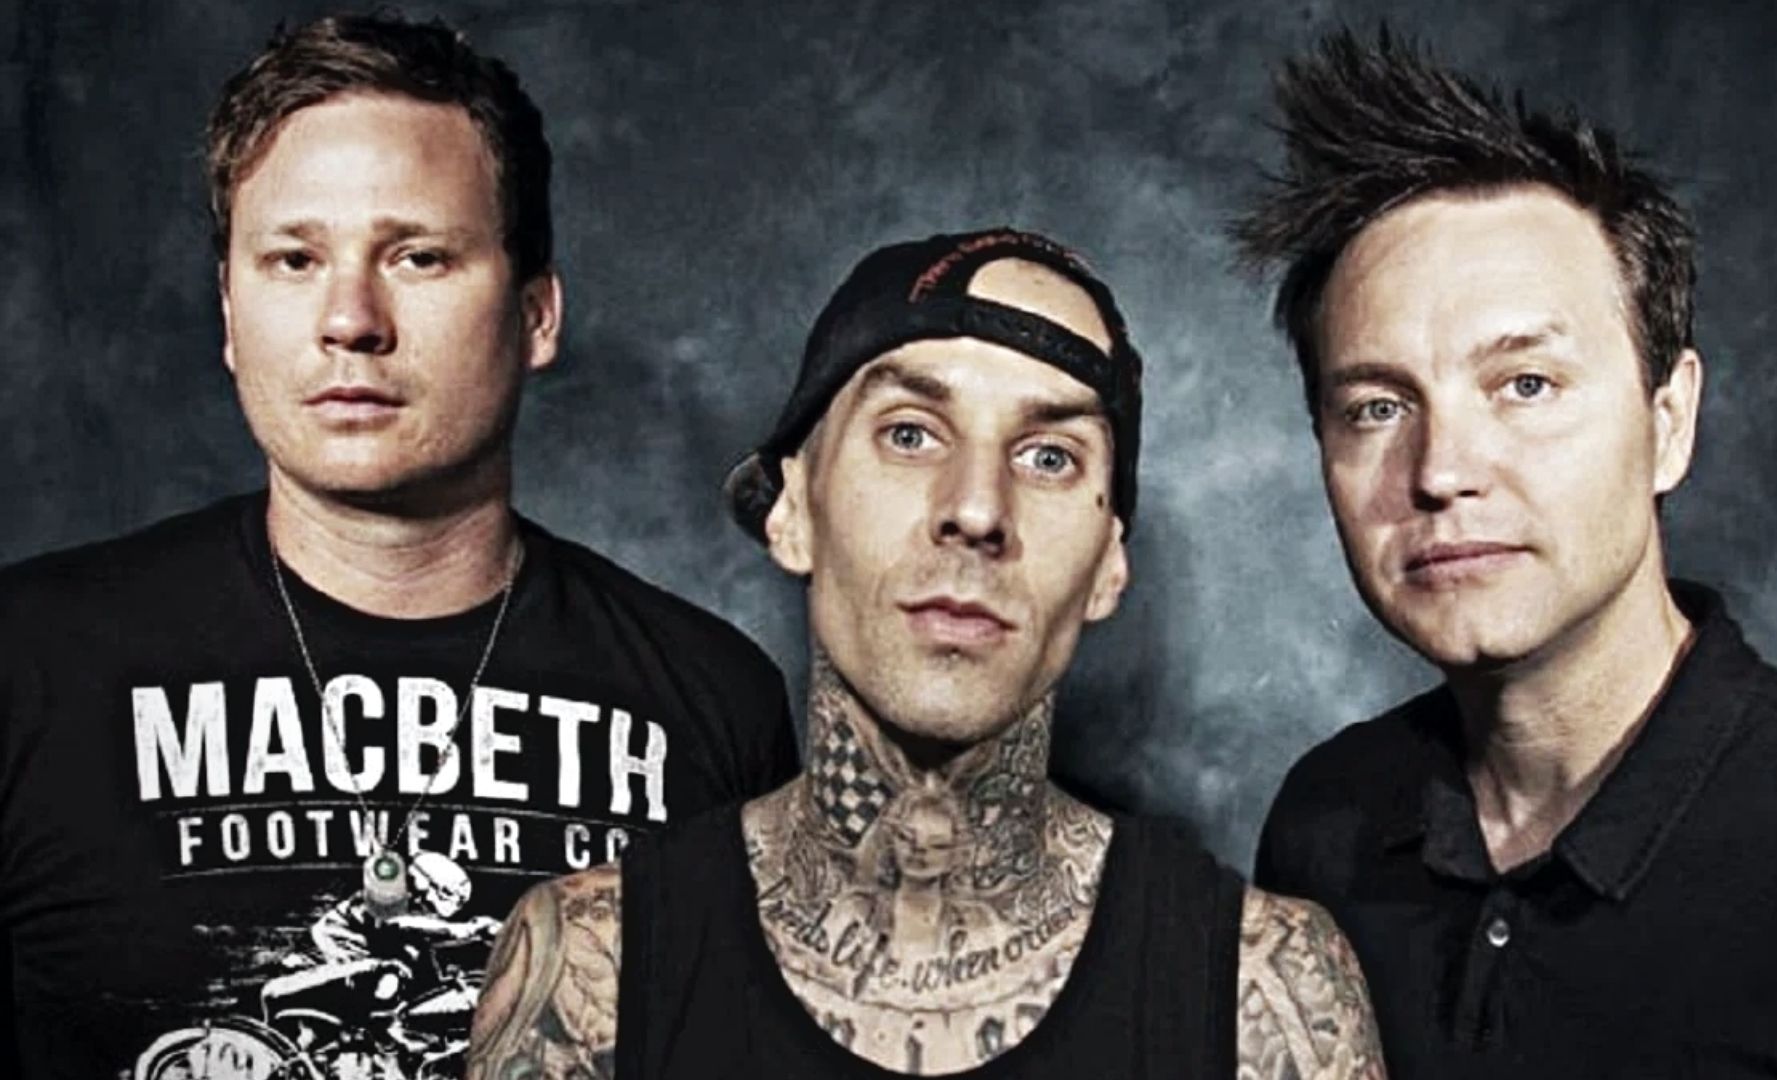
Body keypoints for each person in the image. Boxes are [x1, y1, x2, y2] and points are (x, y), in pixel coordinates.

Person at [0, 14, 798, 1078]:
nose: (350, 320)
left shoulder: (712, 703)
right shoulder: (31, 663)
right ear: (230, 313)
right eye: (294, 259)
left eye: (418, 256)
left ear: (536, 314)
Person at [463, 228, 1386, 1078]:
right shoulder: (594, 967)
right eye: (909, 434)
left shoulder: (1261, 991)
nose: (977, 508)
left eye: (1050, 456)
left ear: (1109, 565)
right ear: (793, 510)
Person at [1233, 28, 1777, 1079]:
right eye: (1377, 406)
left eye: (1526, 386)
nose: (1441, 471)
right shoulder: (1326, 823)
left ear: (1669, 421)